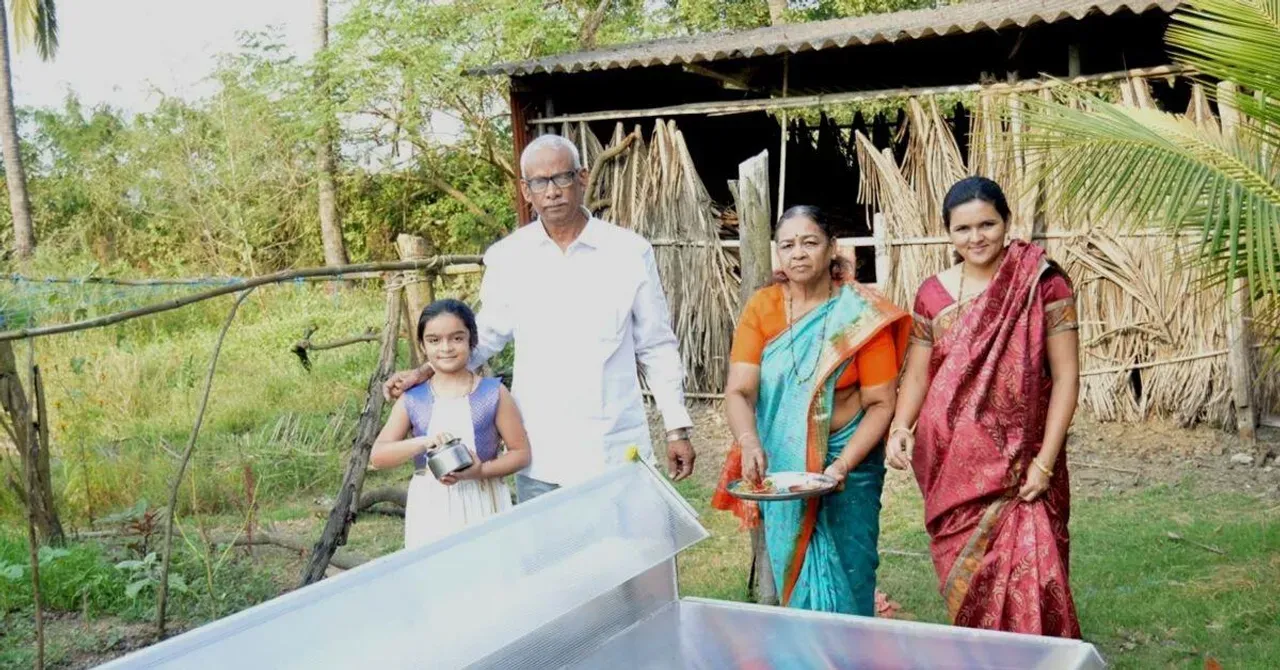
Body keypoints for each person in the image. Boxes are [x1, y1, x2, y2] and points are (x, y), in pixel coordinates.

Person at [383, 134, 695, 502]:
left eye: (562, 178)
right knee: (547, 540)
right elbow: (485, 336)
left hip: (613, 445)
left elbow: (656, 346)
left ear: (582, 178)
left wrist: (676, 428)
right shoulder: (509, 257)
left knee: (624, 539)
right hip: (541, 452)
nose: (552, 192)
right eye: (540, 182)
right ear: (525, 190)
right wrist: (423, 372)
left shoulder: (627, 252)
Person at [886, 176, 1082, 637]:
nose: (976, 238)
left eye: (987, 225)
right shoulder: (932, 294)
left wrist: (1044, 463)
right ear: (947, 233)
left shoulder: (1042, 283)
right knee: (969, 580)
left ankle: (1041, 659)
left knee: (1035, 570)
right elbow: (918, 373)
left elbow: (1067, 377)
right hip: (950, 463)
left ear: (1007, 222)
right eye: (963, 228)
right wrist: (900, 426)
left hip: (1023, 467)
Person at [710, 205, 910, 616]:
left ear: (831, 247)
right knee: (796, 572)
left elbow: (881, 403)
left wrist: (843, 465)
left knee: (849, 574)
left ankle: (849, 645)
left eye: (809, 242)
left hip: (849, 465)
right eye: (787, 245)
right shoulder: (763, 307)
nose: (798, 253)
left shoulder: (860, 314)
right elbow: (739, 391)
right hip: (786, 468)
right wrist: (749, 441)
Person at [371, 299, 531, 549]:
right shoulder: (413, 399)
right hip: (431, 505)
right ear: (422, 345)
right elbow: (379, 456)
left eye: (456, 338)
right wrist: (423, 442)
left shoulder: (493, 393)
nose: (445, 348)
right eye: (434, 340)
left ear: (472, 340)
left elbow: (520, 453)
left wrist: (481, 471)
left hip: (484, 498)